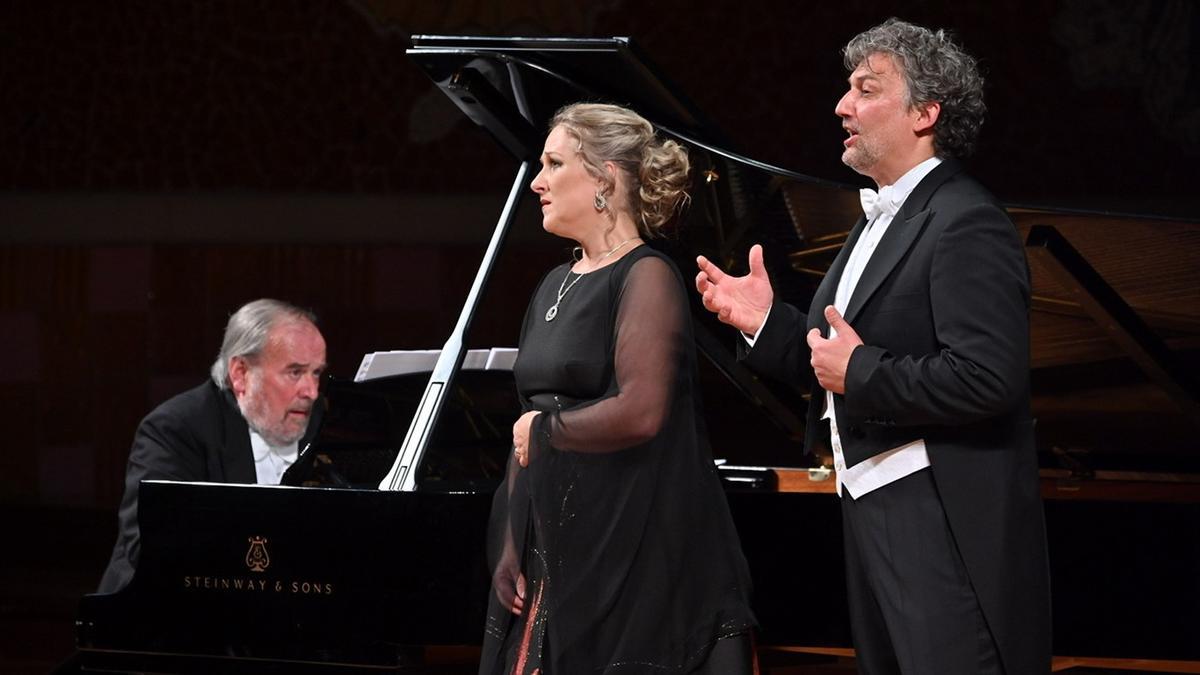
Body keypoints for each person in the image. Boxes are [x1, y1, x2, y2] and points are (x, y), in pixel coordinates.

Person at [695, 18, 1051, 675]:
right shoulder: (878, 223)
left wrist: (860, 368)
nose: (842, 106)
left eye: (865, 89)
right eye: (846, 89)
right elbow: (833, 357)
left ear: (925, 112)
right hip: (874, 506)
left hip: (938, 518)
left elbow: (988, 377)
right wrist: (767, 322)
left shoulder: (966, 221)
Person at [480, 103, 757, 674]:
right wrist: (509, 543)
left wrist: (545, 431)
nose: (537, 182)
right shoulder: (554, 283)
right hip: (555, 544)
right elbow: (526, 419)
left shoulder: (647, 275)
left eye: (554, 164)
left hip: (628, 555)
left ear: (604, 177)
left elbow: (642, 412)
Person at [98, 298, 326, 593]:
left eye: (317, 373)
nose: (311, 391)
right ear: (241, 374)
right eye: (295, 372)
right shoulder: (174, 430)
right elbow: (152, 548)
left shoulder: (324, 424)